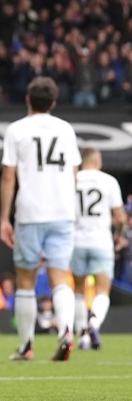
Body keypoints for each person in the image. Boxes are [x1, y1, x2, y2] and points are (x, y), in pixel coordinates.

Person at [0, 76, 81, 362]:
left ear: (27, 100)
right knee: (60, 275)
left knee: (25, 279)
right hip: (62, 212)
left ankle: (26, 346)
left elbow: (9, 176)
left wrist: (3, 219)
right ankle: (67, 331)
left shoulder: (17, 130)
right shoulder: (66, 129)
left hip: (31, 212)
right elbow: (73, 173)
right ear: (54, 103)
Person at [70, 147, 125, 350]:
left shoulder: (72, 179)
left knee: (77, 290)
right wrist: (118, 237)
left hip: (76, 240)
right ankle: (93, 324)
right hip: (101, 241)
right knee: (102, 290)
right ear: (98, 161)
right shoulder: (108, 181)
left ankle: (82, 338)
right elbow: (119, 217)